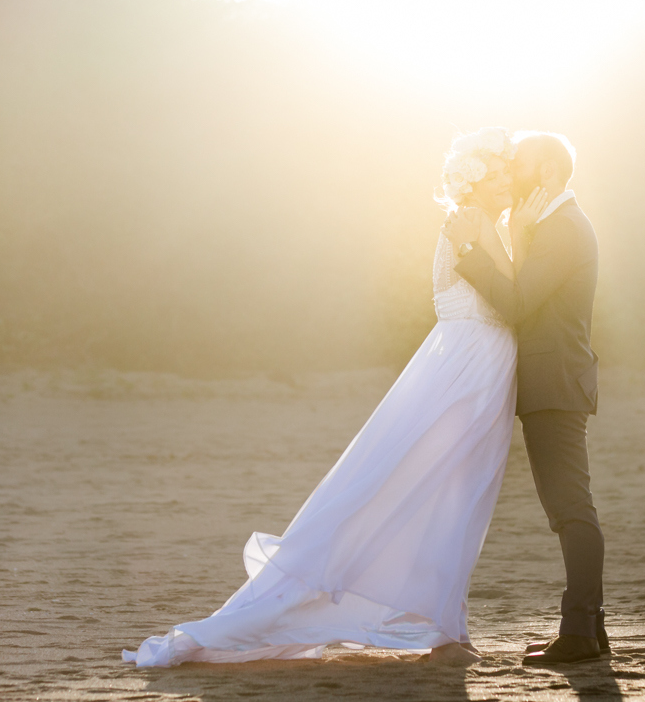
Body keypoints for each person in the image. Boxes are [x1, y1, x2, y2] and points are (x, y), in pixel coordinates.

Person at [121, 127, 552, 668]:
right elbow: (514, 300)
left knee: (449, 490)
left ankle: (445, 622)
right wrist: (529, 231)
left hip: (459, 360)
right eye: (501, 174)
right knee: (452, 491)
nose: (511, 182)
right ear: (479, 182)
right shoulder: (481, 225)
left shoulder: (467, 222)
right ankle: (442, 624)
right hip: (473, 367)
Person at [446, 131, 606, 665]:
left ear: (548, 174)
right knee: (570, 509)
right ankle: (588, 629)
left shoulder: (562, 230)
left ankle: (582, 634)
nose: (509, 172)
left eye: (519, 164)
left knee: (570, 510)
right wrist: (518, 231)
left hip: (556, 385)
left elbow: (515, 302)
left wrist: (470, 251)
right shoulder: (553, 225)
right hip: (556, 382)